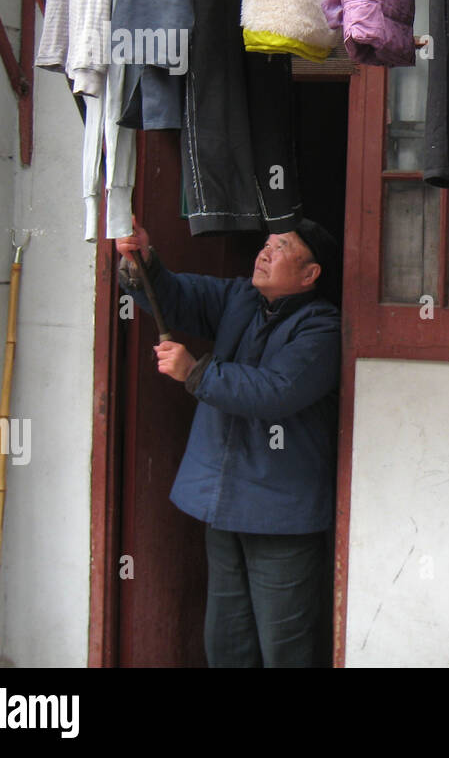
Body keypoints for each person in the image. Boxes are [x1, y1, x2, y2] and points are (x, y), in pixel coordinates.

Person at [116, 216, 341, 668]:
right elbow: (176, 295)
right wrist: (141, 259)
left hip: (281, 513)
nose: (265, 252)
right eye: (266, 244)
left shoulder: (323, 328)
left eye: (281, 249)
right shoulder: (240, 298)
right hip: (223, 502)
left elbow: (277, 391)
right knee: (227, 639)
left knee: (285, 645)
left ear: (309, 274)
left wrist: (195, 371)